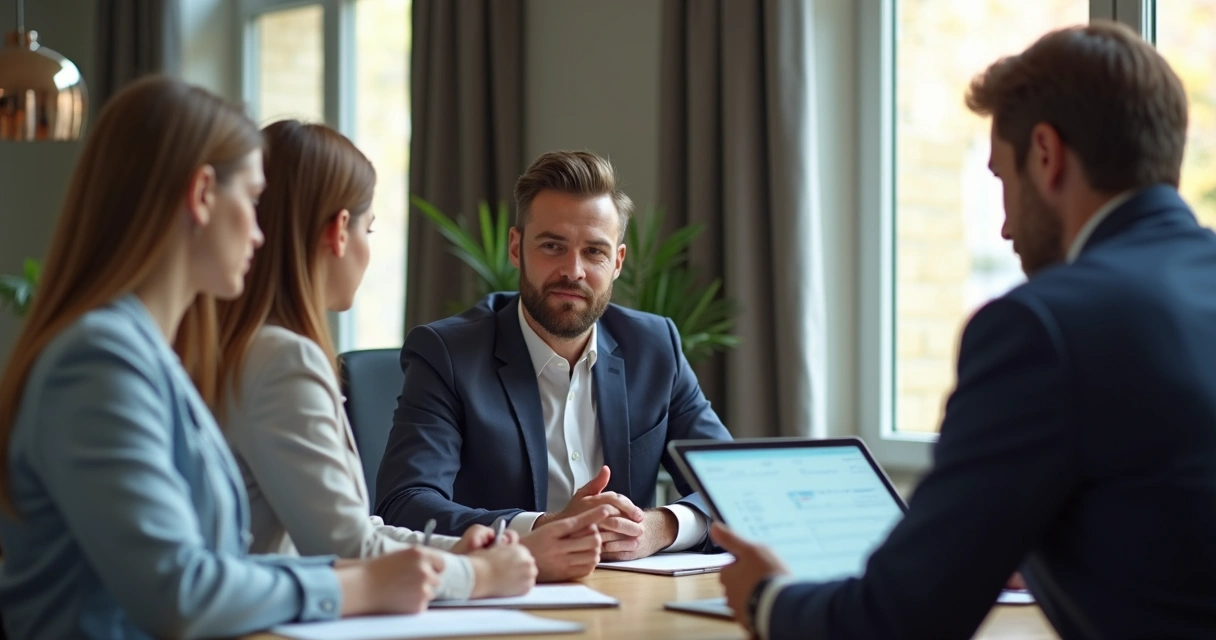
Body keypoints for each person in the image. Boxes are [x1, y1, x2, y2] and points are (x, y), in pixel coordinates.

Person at [712, 21, 1216, 640]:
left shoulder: (1042, 325)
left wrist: (767, 597)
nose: (1005, 228)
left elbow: (897, 623)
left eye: (1002, 179)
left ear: (1046, 155)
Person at [0, 77, 449, 640]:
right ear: (203, 194)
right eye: (254, 201)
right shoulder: (97, 363)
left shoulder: (152, 357)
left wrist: (388, 572)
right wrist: (360, 584)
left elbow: (223, 567)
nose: (262, 233)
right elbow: (178, 592)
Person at [212, 120, 605, 601]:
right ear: (339, 232)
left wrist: (467, 552)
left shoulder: (243, 347)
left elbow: (356, 529)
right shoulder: (282, 361)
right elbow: (349, 545)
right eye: (369, 228)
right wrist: (488, 572)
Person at [375, 150, 734, 580]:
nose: (573, 271)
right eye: (552, 246)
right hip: (504, 596)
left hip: (628, 596)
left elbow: (733, 486)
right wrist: (545, 529)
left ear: (617, 262)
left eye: (594, 252)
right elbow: (405, 504)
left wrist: (657, 527)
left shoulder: (655, 347)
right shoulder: (448, 354)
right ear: (516, 248)